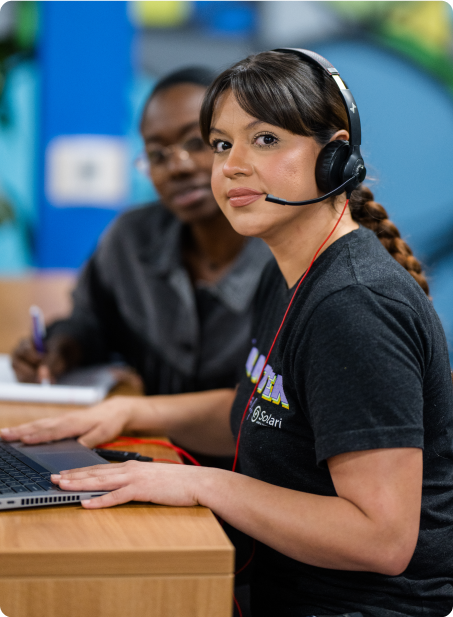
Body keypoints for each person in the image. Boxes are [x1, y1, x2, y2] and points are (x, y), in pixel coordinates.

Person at [3, 50, 453, 617]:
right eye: (222, 144)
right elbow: (262, 411)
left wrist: (206, 486)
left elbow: (380, 540)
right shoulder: (289, 271)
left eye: (265, 139)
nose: (231, 166)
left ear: (335, 156)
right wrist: (129, 416)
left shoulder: (354, 306)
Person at [11, 66, 271, 399]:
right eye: (157, 154)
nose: (178, 166)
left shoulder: (284, 251)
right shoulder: (132, 238)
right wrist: (61, 348)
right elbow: (91, 323)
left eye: (197, 142)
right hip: (146, 444)